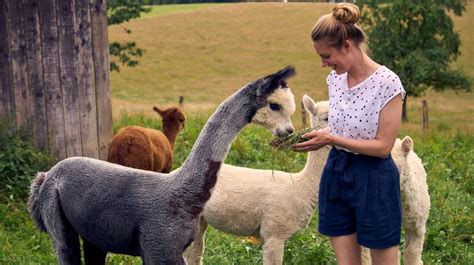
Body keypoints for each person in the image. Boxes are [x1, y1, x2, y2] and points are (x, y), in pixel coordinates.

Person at [292, 3, 405, 265]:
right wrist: (320, 135)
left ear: (347, 46)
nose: (323, 64)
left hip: (374, 177)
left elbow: (383, 147)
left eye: (326, 55)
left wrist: (330, 139)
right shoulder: (335, 79)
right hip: (337, 172)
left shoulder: (388, 83)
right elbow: (345, 127)